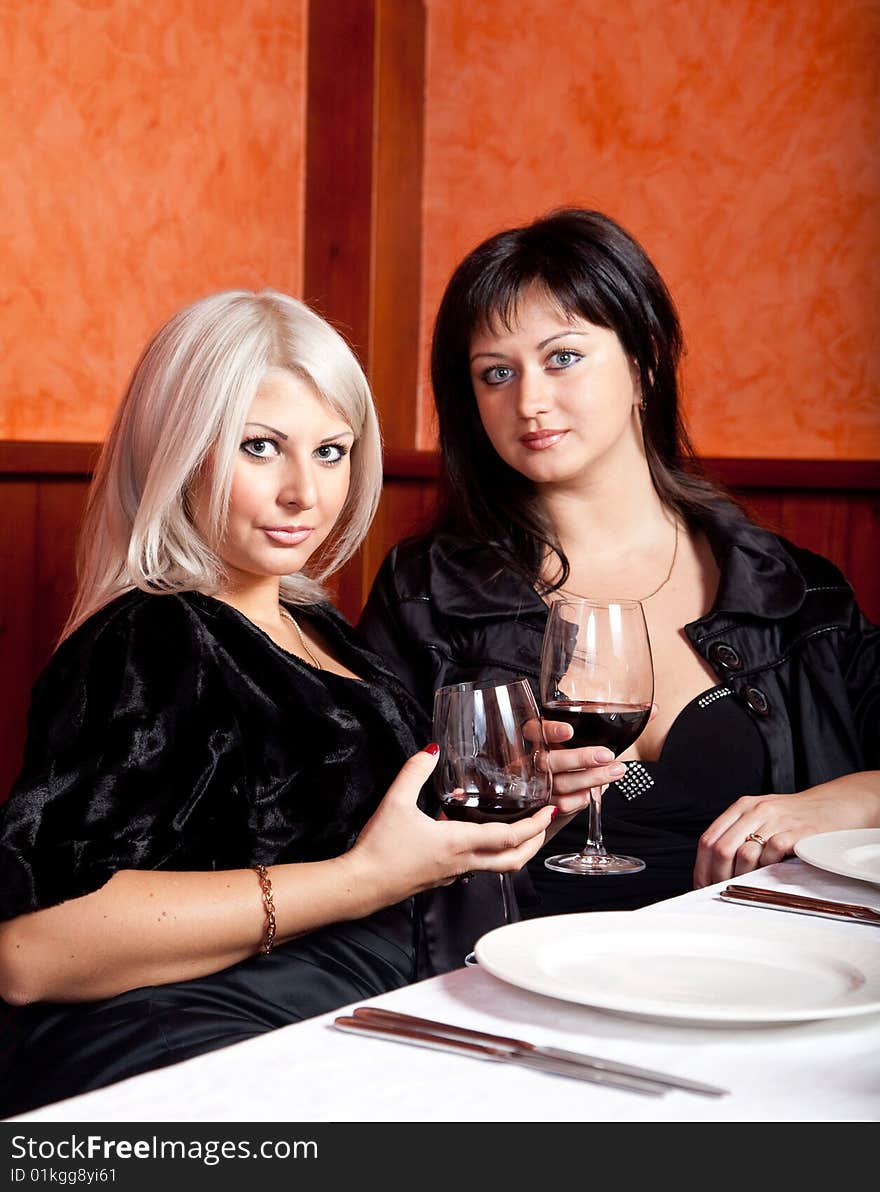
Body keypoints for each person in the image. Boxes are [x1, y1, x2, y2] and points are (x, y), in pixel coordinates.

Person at [0, 288, 562, 1118]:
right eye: (260, 447)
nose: (305, 491)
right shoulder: (153, 634)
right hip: (192, 1052)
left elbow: (344, 824)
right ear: (177, 450)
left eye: (332, 451)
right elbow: (31, 951)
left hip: (352, 1019)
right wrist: (360, 880)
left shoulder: (310, 620)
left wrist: (489, 802)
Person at [360, 208, 880, 945]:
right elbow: (361, 824)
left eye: (562, 357)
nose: (529, 402)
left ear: (644, 362)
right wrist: (502, 806)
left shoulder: (792, 591)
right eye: (496, 374)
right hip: (511, 968)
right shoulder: (425, 593)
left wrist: (848, 800)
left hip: (766, 968)